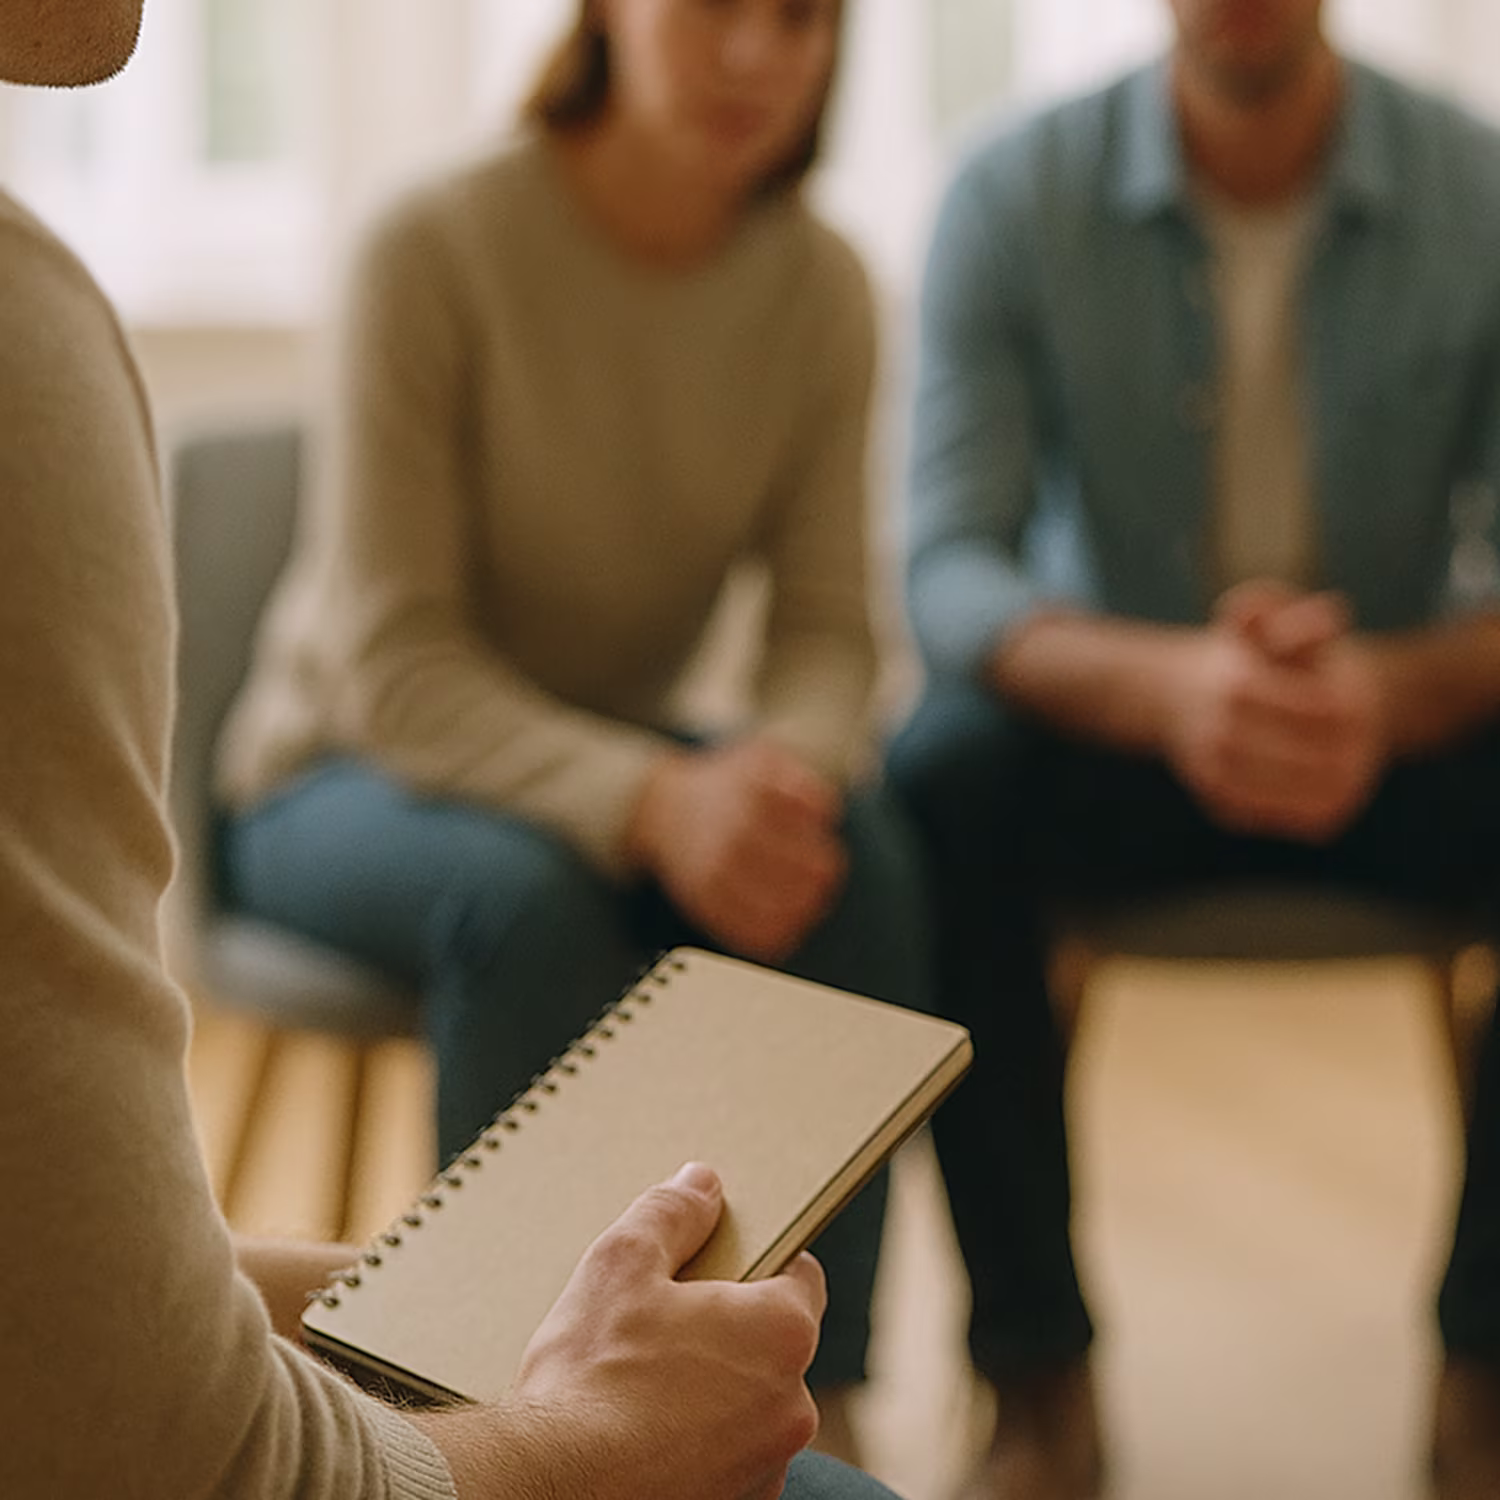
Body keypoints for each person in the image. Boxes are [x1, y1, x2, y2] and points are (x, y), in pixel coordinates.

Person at [0, 2, 909, 1497]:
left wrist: (774, 779)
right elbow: (397, 670)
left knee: (861, 853)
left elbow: (829, 634)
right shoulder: (433, 240)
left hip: (602, 765)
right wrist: (652, 799)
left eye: (800, 15)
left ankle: (814, 1372)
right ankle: (487, 1356)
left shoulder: (821, 285)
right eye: (715, 8)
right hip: (340, 771)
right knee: (521, 896)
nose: (759, 53)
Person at [886, 1, 1500, 1496]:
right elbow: (953, 567)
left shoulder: (1479, 191)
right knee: (938, 782)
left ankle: (1488, 1361)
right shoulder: (1010, 191)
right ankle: (1035, 1371)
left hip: (1401, 720)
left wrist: (1385, 691)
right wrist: (1172, 689)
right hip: (1126, 723)